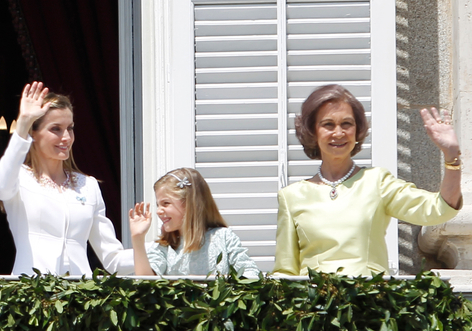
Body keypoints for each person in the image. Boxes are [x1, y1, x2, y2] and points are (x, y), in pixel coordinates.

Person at [273, 84, 461, 276]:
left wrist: (451, 155)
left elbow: (439, 209)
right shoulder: (291, 197)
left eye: (346, 124)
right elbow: (284, 272)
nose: (338, 133)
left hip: (370, 302)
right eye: (328, 124)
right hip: (313, 303)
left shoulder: (377, 182)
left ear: (357, 130)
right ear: (313, 131)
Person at [0, 81, 138, 275]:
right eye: (56, 129)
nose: (66, 138)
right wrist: (23, 123)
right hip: (31, 293)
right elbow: (1, 187)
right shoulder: (19, 179)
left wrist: (161, 250)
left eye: (70, 128)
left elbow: (112, 258)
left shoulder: (88, 186)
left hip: (78, 296)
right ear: (33, 134)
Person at [129, 168, 260, 278]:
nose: (158, 211)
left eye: (166, 203)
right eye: (158, 205)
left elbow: (250, 273)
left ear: (189, 204)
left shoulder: (223, 237)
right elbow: (146, 284)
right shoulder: (166, 246)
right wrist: (137, 238)